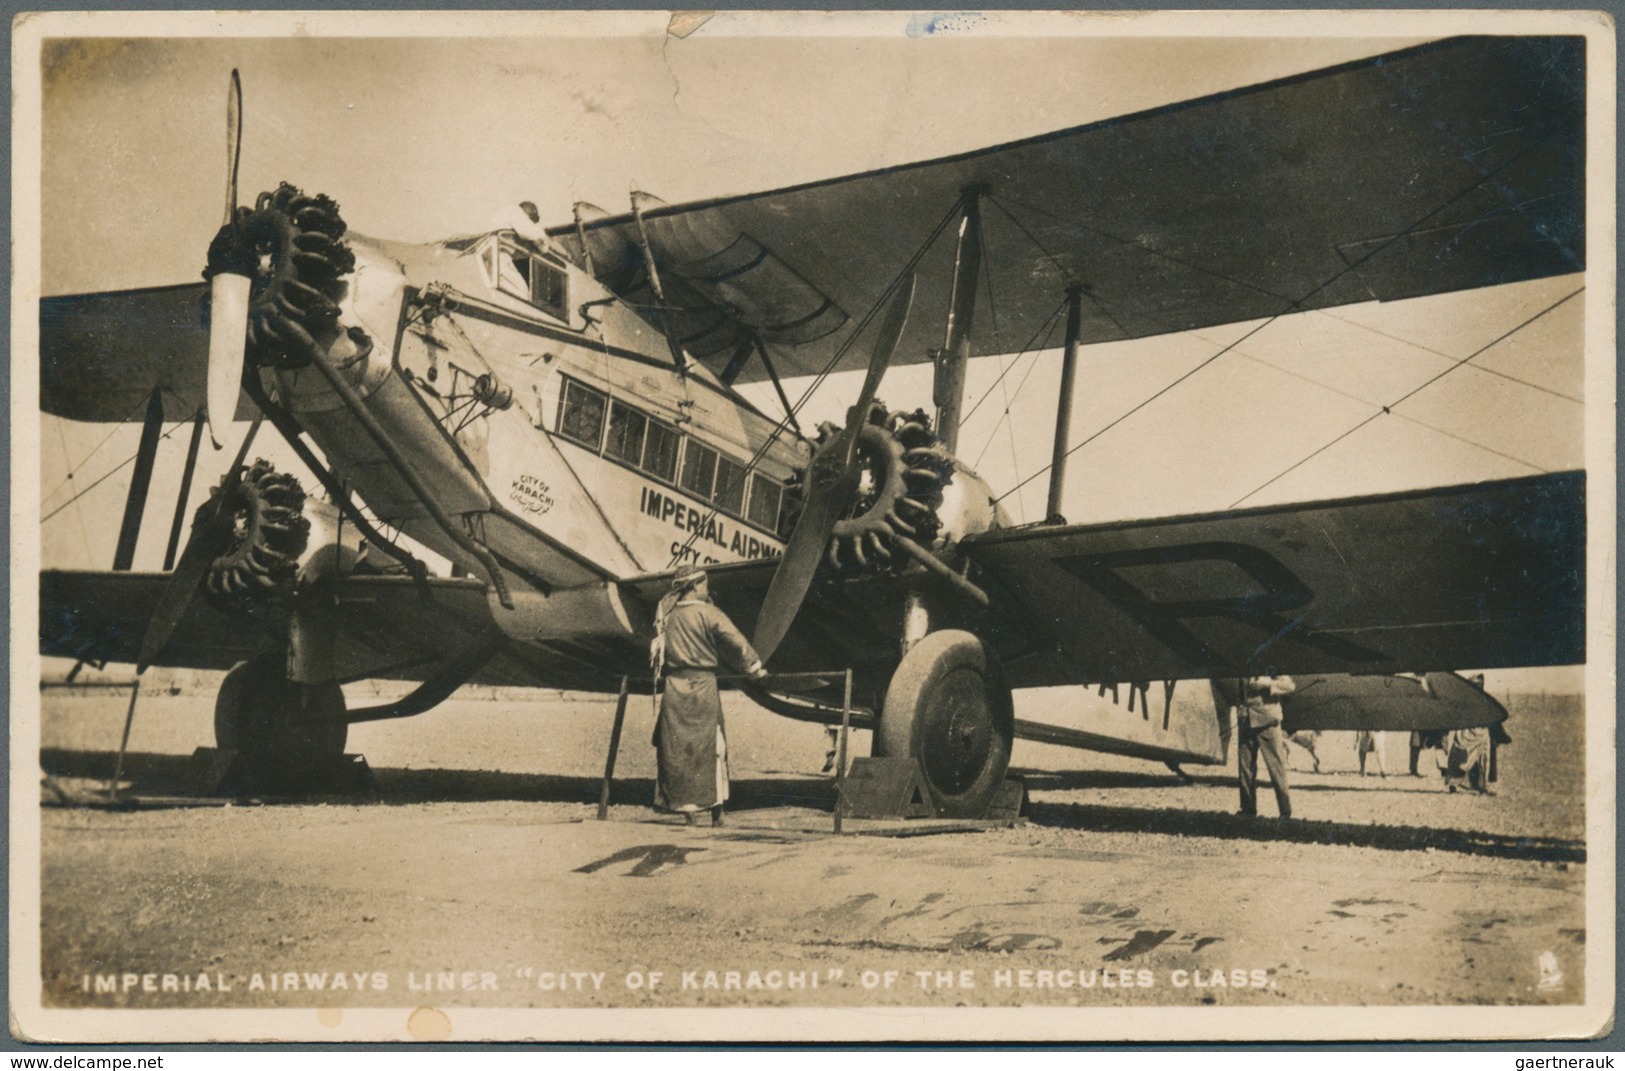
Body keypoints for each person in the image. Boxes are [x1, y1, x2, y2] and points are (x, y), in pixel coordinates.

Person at [649, 564, 766, 826]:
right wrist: (755, 669)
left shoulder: (668, 617)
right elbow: (736, 641)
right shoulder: (709, 613)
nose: (707, 589)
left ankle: (688, 815)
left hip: (675, 690)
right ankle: (718, 816)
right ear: (693, 586)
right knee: (713, 748)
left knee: (678, 750)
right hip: (702, 688)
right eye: (703, 584)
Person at [1234, 675, 1294, 819]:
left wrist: (1268, 683)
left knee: (1276, 767)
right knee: (1245, 768)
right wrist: (1240, 711)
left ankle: (1285, 811)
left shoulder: (1270, 661)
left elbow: (1289, 686)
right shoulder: (1244, 663)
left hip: (1268, 722)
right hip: (1246, 721)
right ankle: (1248, 809)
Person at [1443, 724, 1493, 794]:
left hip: (1466, 728)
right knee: (1480, 756)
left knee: (1461, 753)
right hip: (1473, 728)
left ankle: (1454, 783)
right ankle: (1483, 785)